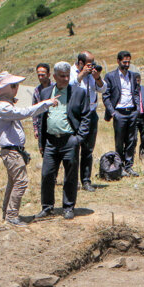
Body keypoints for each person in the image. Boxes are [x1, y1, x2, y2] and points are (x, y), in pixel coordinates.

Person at [0, 71, 58, 227]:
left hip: (13, 151)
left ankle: (7, 213)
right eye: (14, 86)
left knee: (13, 182)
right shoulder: (3, 107)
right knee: (20, 182)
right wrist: (46, 103)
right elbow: (24, 113)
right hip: (11, 152)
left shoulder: (5, 105)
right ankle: (12, 215)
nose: (17, 88)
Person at [35, 62, 90, 220]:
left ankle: (68, 206)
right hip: (51, 141)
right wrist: (41, 143)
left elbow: (86, 117)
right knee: (47, 174)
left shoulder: (78, 93)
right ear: (54, 77)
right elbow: (41, 119)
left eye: (67, 76)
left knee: (70, 176)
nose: (65, 79)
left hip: (69, 141)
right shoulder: (46, 92)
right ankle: (47, 207)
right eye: (62, 76)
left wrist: (78, 138)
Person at [69, 51, 106, 192]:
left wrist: (97, 78)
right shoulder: (71, 72)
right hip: (76, 115)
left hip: (91, 113)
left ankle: (86, 180)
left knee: (88, 150)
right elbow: (70, 87)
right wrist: (81, 75)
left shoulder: (92, 75)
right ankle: (73, 181)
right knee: (73, 149)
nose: (92, 67)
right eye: (89, 64)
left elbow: (103, 89)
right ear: (80, 63)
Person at [103, 50, 140, 177]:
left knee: (131, 140)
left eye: (129, 62)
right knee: (119, 142)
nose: (127, 64)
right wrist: (113, 112)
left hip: (132, 111)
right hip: (119, 113)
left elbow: (136, 92)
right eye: (124, 62)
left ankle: (129, 166)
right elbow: (106, 96)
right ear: (118, 61)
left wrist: (137, 109)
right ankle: (119, 167)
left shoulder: (133, 76)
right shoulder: (110, 76)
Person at [32, 63, 53, 147]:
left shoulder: (55, 87)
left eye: (43, 75)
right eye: (38, 75)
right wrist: (36, 129)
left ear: (48, 74)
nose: (40, 77)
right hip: (42, 125)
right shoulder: (37, 91)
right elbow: (34, 111)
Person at [134, 72, 144, 160]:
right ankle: (132, 154)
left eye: (139, 80)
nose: (137, 82)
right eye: (136, 80)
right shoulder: (131, 90)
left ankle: (142, 155)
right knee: (133, 138)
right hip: (134, 117)